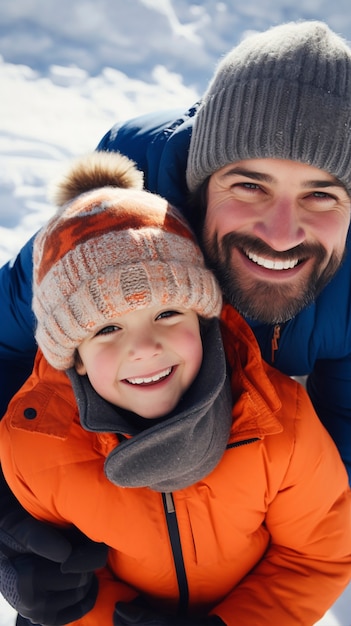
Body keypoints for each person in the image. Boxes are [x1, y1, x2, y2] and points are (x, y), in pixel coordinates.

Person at [1, 17, 351, 626]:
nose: (280, 233)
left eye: (322, 194)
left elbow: (328, 514)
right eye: (249, 184)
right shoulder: (107, 235)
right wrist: (8, 523)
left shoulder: (295, 420)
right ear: (198, 181)